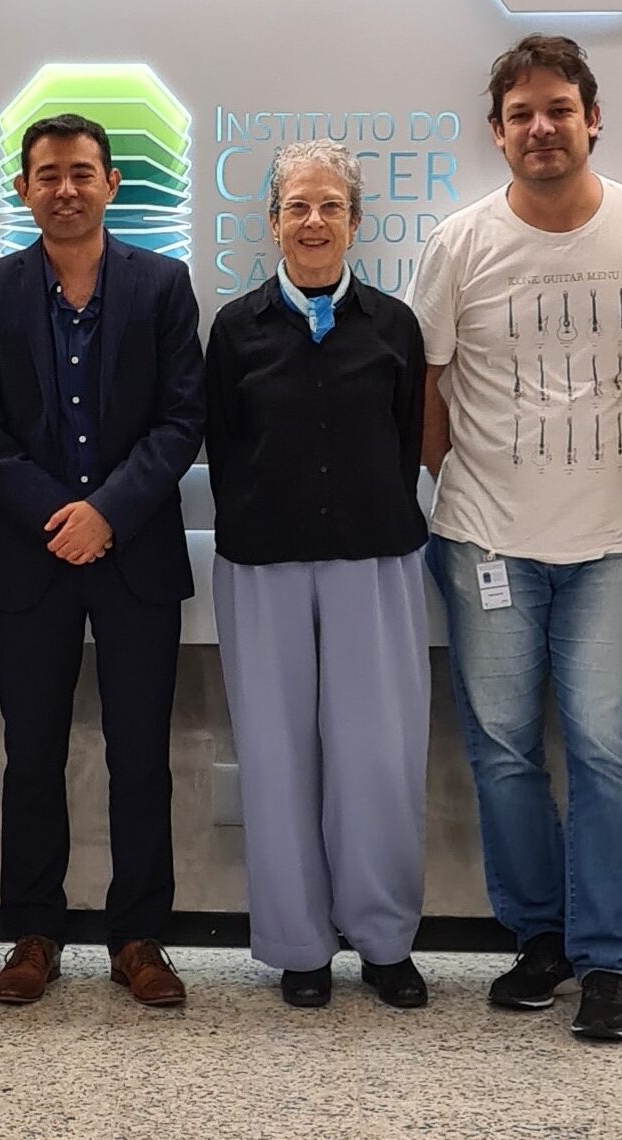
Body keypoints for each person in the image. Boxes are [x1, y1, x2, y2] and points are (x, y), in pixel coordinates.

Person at [408, 34, 622, 1041]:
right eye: (521, 113)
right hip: (485, 539)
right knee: (501, 748)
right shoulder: (461, 242)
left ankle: (610, 958)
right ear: (496, 132)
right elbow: (426, 384)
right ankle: (541, 939)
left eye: (559, 108)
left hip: (615, 543)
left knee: (608, 747)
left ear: (593, 118)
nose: (541, 127)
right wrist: (468, 485)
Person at [0, 113, 205, 1007]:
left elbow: (182, 420)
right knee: (32, 753)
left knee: (141, 756)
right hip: (32, 557)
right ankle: (32, 932)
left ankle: (139, 939)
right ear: (23, 189)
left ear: (111, 184)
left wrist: (108, 512)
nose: (65, 188)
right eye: (47, 174)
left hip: (134, 556)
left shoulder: (164, 285)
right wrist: (57, 514)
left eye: (82, 173)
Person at [205, 141, 432, 1009]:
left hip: (374, 561)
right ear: (271, 223)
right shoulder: (235, 329)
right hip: (262, 565)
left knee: (377, 758)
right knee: (275, 756)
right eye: (296, 206)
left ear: (355, 222)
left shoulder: (393, 326)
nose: (312, 221)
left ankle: (383, 943)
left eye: (329, 206)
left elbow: (406, 436)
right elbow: (224, 447)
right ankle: (300, 947)